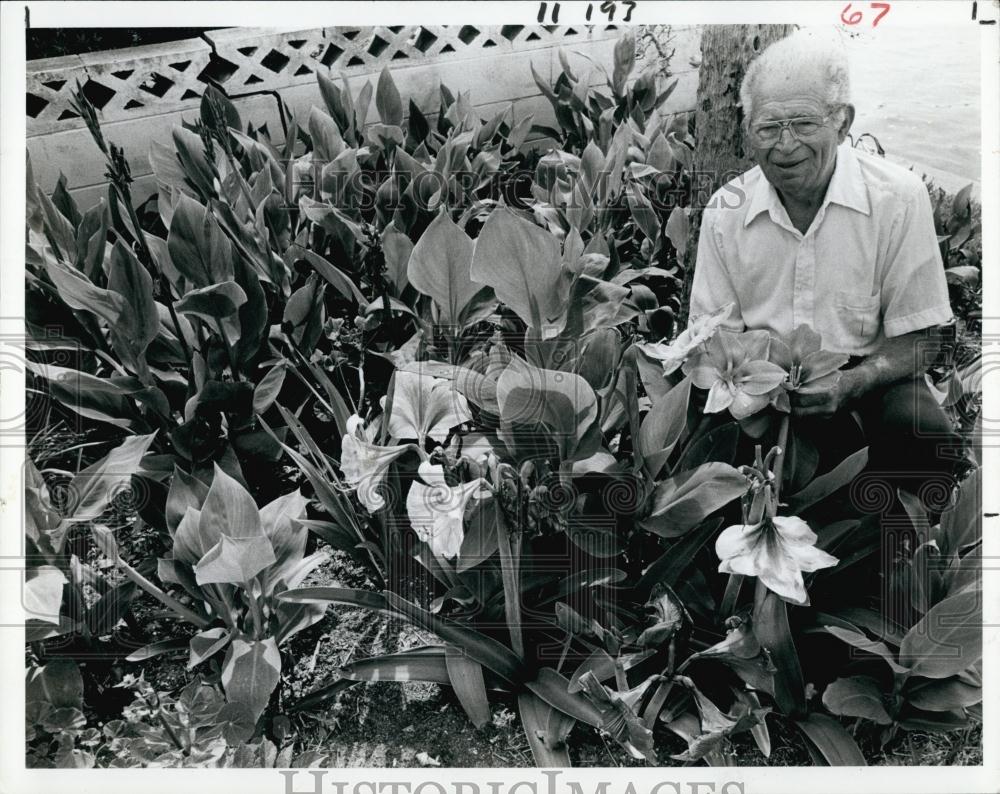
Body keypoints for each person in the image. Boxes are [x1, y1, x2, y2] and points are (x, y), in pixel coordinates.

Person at [688, 30, 961, 510]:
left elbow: (923, 337)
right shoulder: (725, 212)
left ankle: (905, 558)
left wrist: (856, 381)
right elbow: (713, 338)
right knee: (701, 452)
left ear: (842, 122)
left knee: (924, 431)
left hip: (865, 376)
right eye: (768, 127)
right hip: (759, 378)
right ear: (746, 128)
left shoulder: (897, 198)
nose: (785, 145)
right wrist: (761, 392)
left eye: (804, 124)